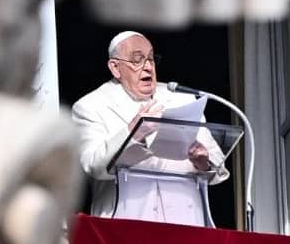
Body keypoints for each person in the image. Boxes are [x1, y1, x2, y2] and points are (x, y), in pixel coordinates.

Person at [72, 31, 229, 226]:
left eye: (151, 59)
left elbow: (217, 164)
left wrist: (203, 162)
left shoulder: (182, 99)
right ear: (115, 68)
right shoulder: (91, 106)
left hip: (187, 225)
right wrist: (133, 133)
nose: (147, 67)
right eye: (137, 60)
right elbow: (93, 165)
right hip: (126, 227)